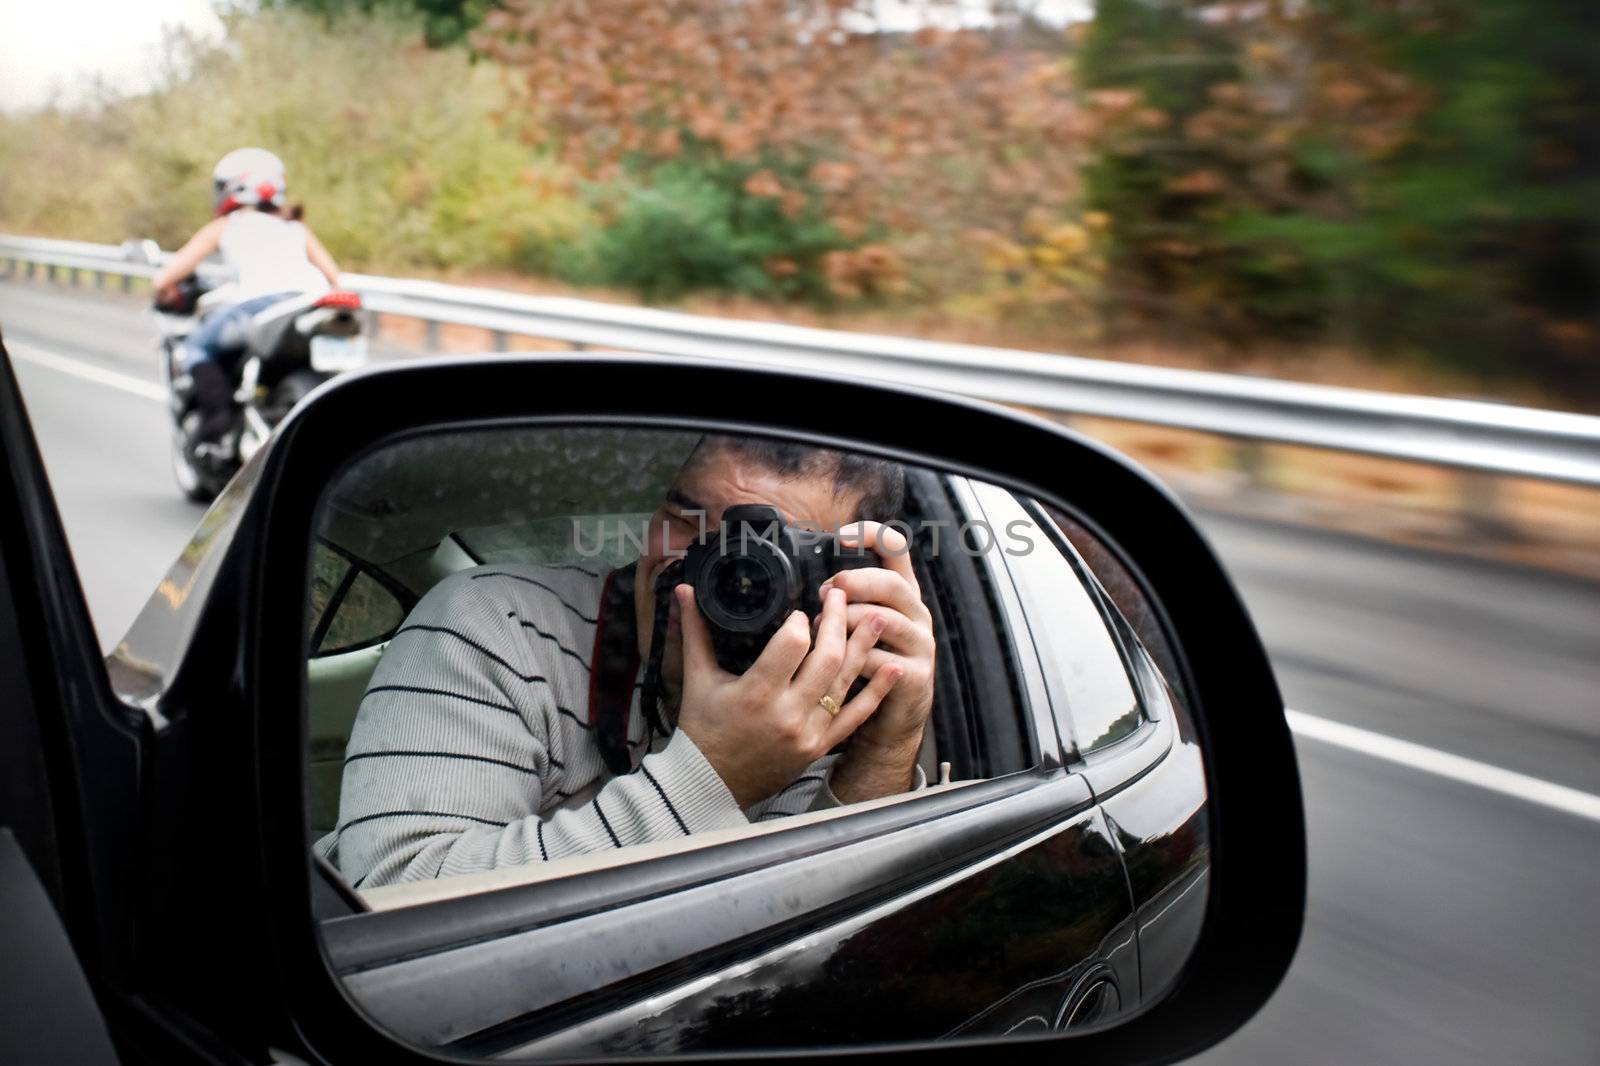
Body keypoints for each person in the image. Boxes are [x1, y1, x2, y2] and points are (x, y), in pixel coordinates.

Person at [319, 435, 938, 889]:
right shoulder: (500, 621)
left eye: (768, 551)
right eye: (685, 516)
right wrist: (716, 775)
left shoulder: (833, 696)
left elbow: (827, 935)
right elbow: (394, 900)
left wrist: (886, 748)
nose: (709, 568)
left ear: (847, 576)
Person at [152, 147, 342, 446]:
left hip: (258, 307)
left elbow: (164, 280)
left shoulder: (228, 226)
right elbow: (335, 278)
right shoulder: (295, 227)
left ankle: (218, 422)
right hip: (309, 305)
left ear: (233, 187)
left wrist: (165, 294)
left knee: (193, 350)